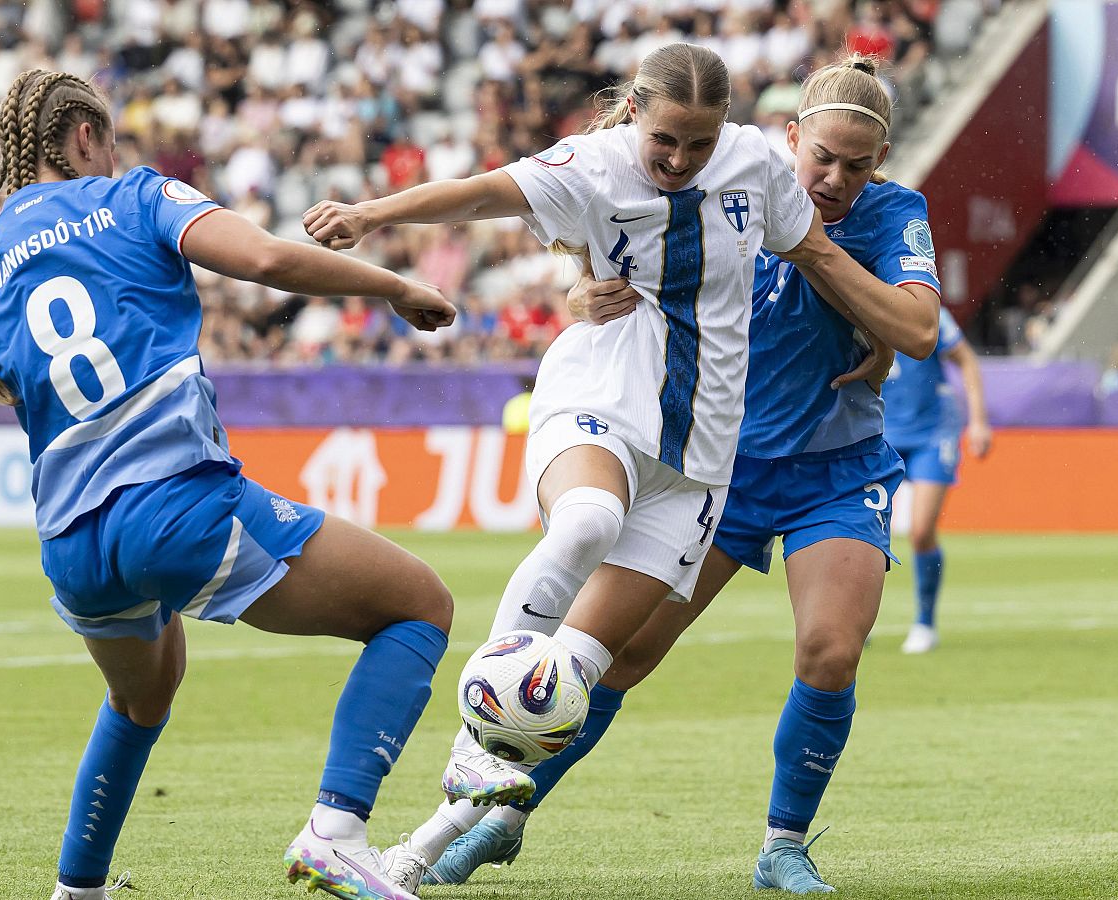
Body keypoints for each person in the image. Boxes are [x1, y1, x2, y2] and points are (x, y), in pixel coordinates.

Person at [360, 54, 940, 894]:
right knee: (618, 658)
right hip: (719, 463)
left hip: (833, 469)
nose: (835, 178)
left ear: (878, 166)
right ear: (791, 139)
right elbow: (613, 242)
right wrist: (575, 293)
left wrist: (824, 262)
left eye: (857, 165)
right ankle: (489, 818)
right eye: (821, 158)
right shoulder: (733, 175)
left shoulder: (884, 216)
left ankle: (782, 846)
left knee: (829, 650)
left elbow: (918, 329)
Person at [0, 69, 459, 900]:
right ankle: (336, 835)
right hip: (175, 507)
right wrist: (395, 288)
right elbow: (266, 258)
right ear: (87, 137)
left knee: (143, 697)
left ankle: (78, 890)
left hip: (75, 550)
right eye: (112, 139)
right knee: (420, 606)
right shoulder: (132, 196)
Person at [883, 304, 991, 655]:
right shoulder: (855, 301)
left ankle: (925, 623)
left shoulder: (925, 309)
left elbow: (967, 361)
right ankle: (855, 622)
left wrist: (978, 421)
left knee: (921, 530)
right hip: (881, 430)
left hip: (933, 431)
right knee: (863, 536)